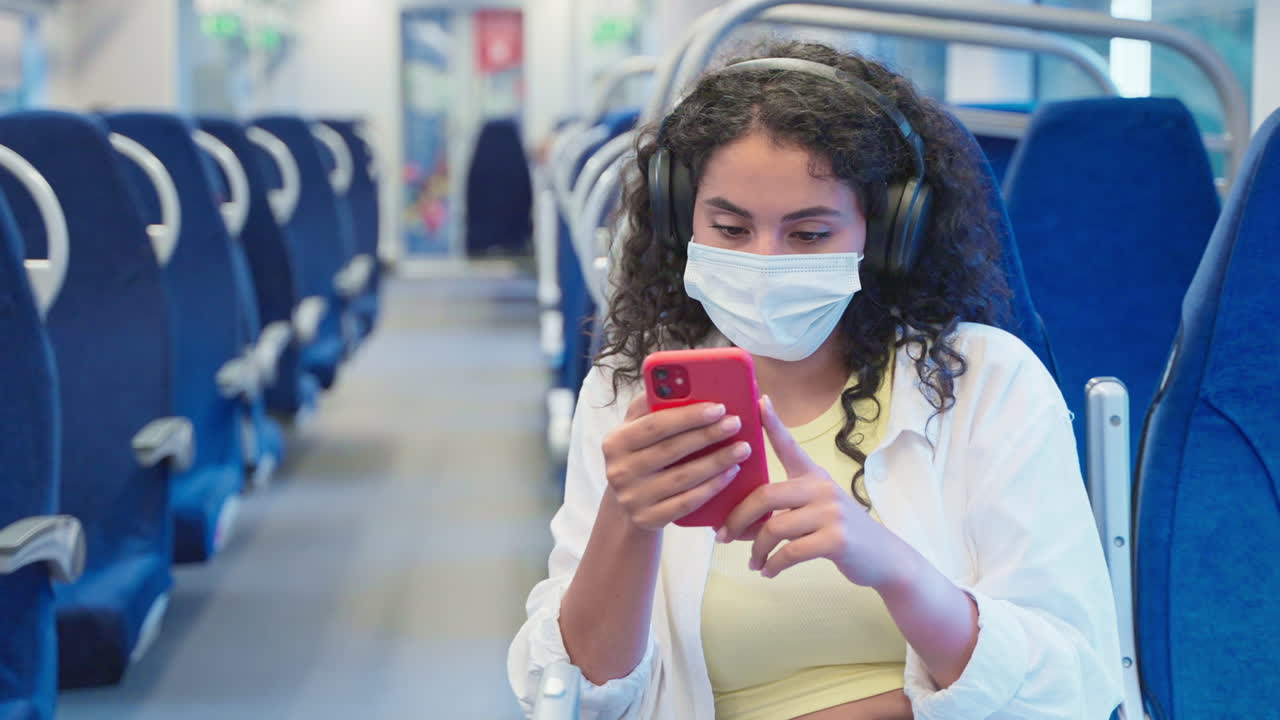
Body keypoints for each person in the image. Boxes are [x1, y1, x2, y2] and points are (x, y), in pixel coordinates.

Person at [510, 40, 1123, 720]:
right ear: (685, 221)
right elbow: (580, 698)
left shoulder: (989, 382)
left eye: (808, 235)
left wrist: (893, 568)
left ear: (883, 234)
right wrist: (628, 520)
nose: (764, 261)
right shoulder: (627, 397)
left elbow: (1074, 686)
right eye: (731, 227)